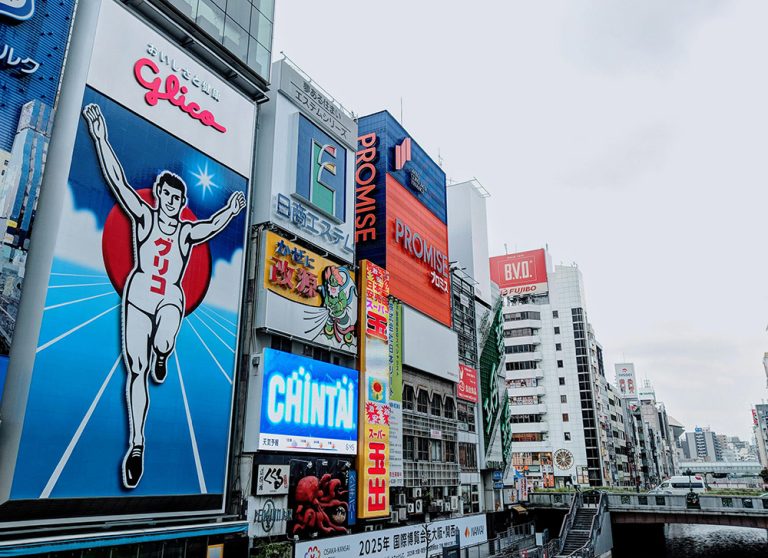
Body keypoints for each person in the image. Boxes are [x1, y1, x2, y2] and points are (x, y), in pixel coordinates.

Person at [83, 103, 245, 489]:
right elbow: (118, 181)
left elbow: (211, 226)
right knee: (135, 371)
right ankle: (137, 444)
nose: (171, 202)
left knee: (167, 331)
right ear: (159, 195)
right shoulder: (143, 217)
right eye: (167, 195)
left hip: (169, 296)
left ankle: (163, 351)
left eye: (177, 197)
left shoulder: (185, 232)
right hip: (138, 296)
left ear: (181, 201)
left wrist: (233, 210)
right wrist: (101, 136)